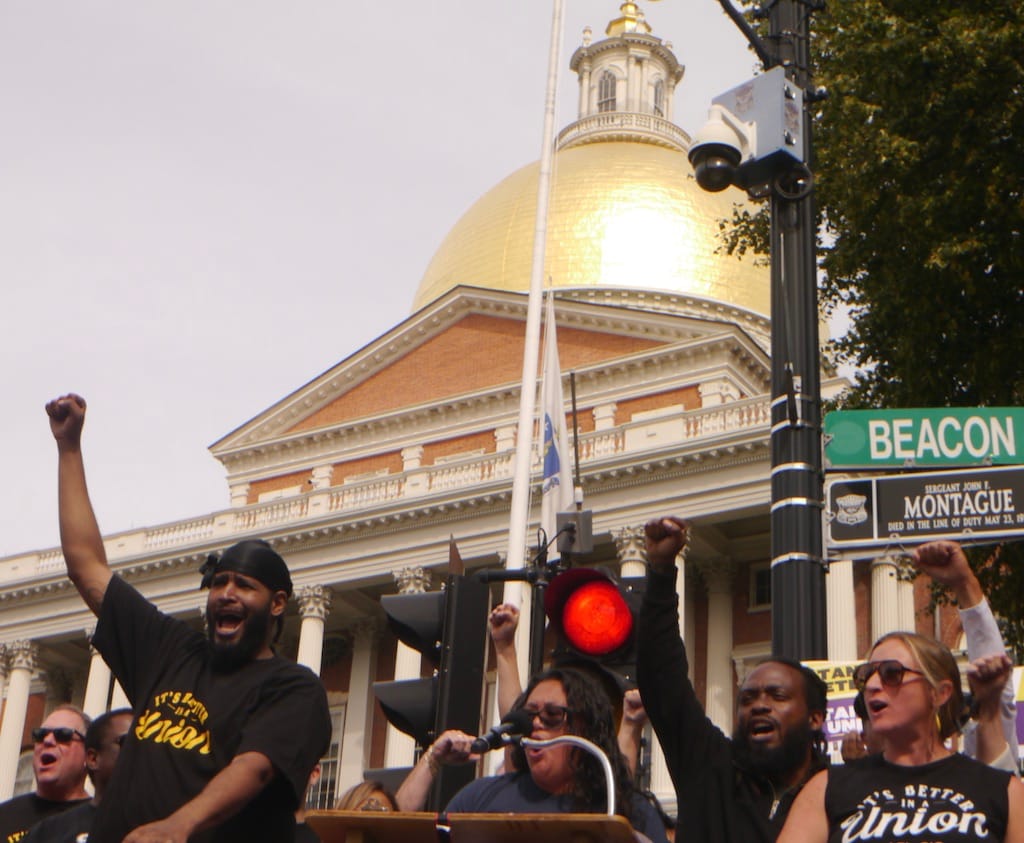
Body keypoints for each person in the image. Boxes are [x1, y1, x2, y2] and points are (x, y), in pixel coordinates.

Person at [46, 393, 332, 843]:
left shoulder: (293, 687)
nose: (226, 595)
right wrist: (69, 448)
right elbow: (86, 565)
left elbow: (254, 768)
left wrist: (178, 827)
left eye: (244, 586)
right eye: (219, 584)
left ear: (277, 604)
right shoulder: (170, 650)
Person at [637, 516, 830, 843]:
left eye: (777, 696)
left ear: (815, 718)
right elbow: (662, 680)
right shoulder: (710, 770)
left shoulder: (836, 793)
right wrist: (661, 570)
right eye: (747, 698)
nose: (759, 706)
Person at [778, 631, 1024, 843]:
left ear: (939, 693)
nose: (873, 685)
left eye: (891, 673)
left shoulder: (1002, 790)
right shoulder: (827, 787)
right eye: (866, 675)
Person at [446, 667, 669, 843]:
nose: (535, 724)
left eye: (552, 715)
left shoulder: (628, 809)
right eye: (528, 715)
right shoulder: (479, 797)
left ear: (585, 729)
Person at [22, 708, 133, 843]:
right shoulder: (45, 833)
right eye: (128, 741)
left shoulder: (161, 826)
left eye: (62, 735)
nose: (48, 741)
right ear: (93, 759)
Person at [0, 705, 91, 843]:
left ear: (89, 755)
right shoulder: (4, 816)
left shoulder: (103, 820)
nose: (48, 741)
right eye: (40, 734)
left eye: (63, 735)